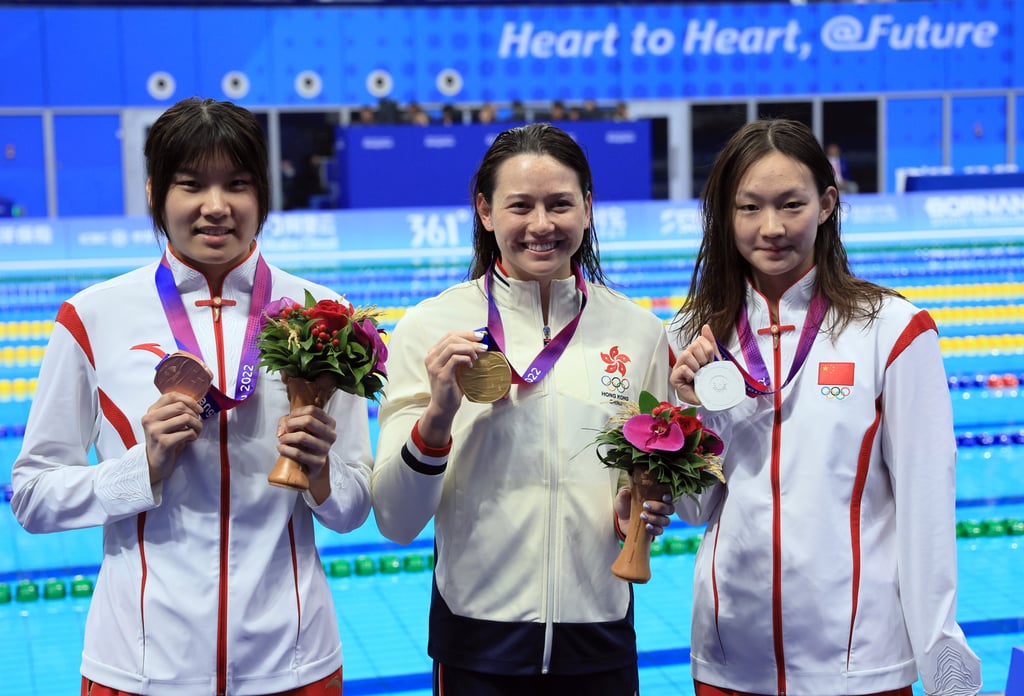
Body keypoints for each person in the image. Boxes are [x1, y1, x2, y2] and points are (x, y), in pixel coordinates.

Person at [10, 97, 373, 695]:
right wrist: (139, 468)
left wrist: (323, 476)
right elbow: (31, 496)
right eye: (190, 185)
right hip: (140, 665)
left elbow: (354, 508)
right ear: (156, 192)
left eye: (237, 184)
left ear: (263, 194)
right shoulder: (94, 317)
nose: (215, 207)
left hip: (294, 661)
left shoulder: (325, 318)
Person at [668, 119, 981, 696]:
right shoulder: (692, 336)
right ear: (724, 214)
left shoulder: (892, 330)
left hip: (861, 661)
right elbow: (694, 511)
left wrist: (941, 654)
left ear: (828, 203)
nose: (772, 228)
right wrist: (696, 417)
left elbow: (927, 502)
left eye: (792, 204)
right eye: (749, 208)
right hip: (729, 656)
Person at [371, 122, 673, 696]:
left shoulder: (638, 333)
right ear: (485, 211)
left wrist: (643, 505)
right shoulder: (430, 328)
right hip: (476, 640)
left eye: (560, 204)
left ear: (587, 208)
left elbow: (656, 486)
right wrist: (437, 416)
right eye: (520, 206)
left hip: (601, 634)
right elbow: (394, 519)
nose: (541, 225)